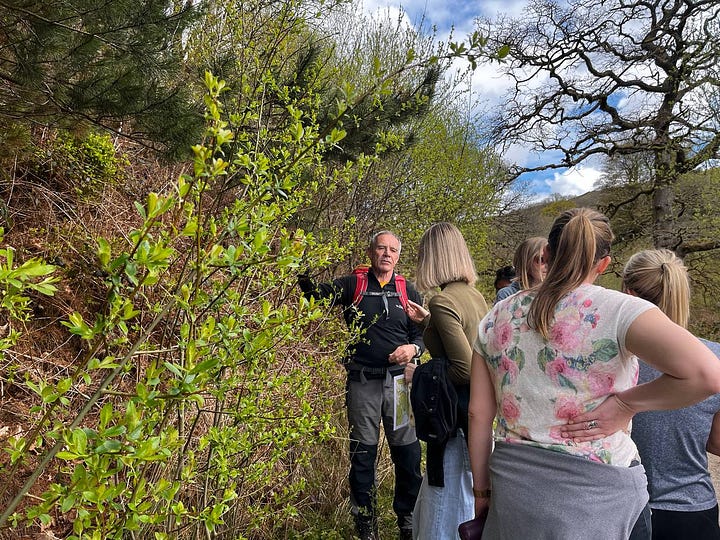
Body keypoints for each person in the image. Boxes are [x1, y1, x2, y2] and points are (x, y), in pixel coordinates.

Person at [467, 207, 720, 540]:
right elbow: (707, 375)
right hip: (601, 498)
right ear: (604, 264)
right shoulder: (620, 309)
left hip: (515, 493)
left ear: (546, 254)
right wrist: (627, 405)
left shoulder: (499, 312)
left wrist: (482, 492)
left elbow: (478, 414)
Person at [298, 230, 424, 540]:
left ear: (398, 256)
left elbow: (421, 333)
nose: (387, 254)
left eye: (393, 250)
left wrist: (413, 350)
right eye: (381, 248)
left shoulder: (408, 290)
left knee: (407, 455)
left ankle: (407, 519)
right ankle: (365, 522)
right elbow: (316, 294)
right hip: (363, 382)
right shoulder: (354, 284)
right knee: (363, 455)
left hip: (399, 384)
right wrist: (300, 262)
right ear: (369, 252)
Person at [623, 249, 720, 540]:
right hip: (692, 512)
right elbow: (716, 442)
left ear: (627, 293)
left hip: (623, 511)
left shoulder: (608, 361)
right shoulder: (713, 359)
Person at [402, 222, 489, 539]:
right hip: (475, 419)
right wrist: (428, 321)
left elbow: (465, 368)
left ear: (434, 257)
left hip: (453, 421)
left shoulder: (443, 301)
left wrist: (420, 374)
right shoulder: (474, 296)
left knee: (445, 506)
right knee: (463, 498)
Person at [494, 236, 547, 303]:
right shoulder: (507, 294)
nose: (547, 265)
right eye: (541, 260)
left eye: (551, 260)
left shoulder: (555, 294)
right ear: (526, 262)